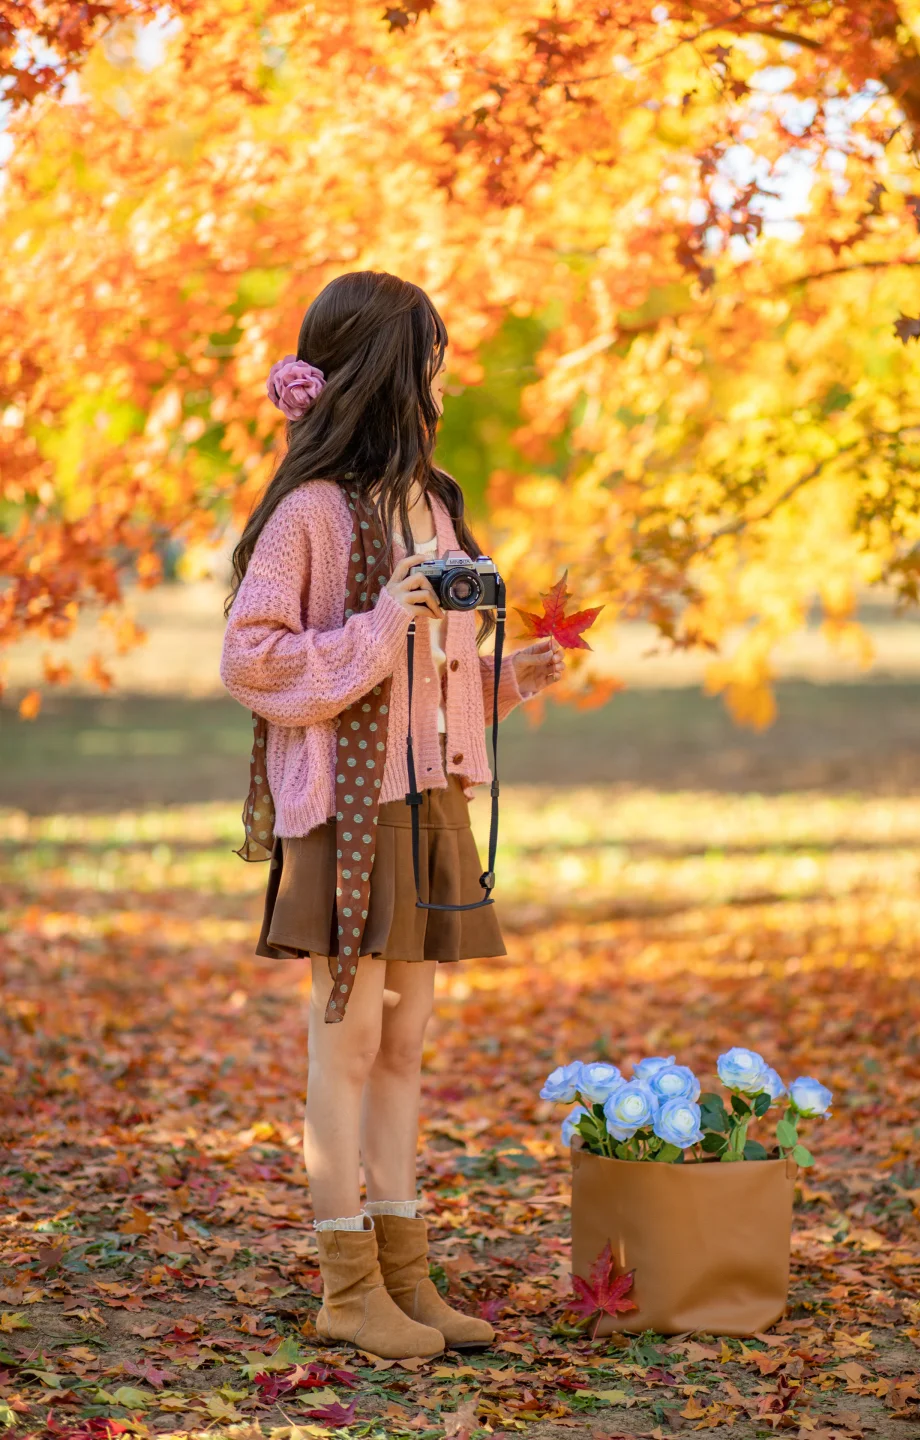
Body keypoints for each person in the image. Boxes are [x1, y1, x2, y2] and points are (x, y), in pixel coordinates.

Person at [220, 271, 564, 1359]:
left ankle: (406, 1279)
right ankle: (346, 1284)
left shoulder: (434, 505)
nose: (440, 383)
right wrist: (379, 624)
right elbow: (253, 662)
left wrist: (508, 680)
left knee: (406, 1042)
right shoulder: (312, 514)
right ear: (382, 373)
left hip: (428, 799)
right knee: (350, 1039)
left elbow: (427, 679)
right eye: (427, 361)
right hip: (348, 809)